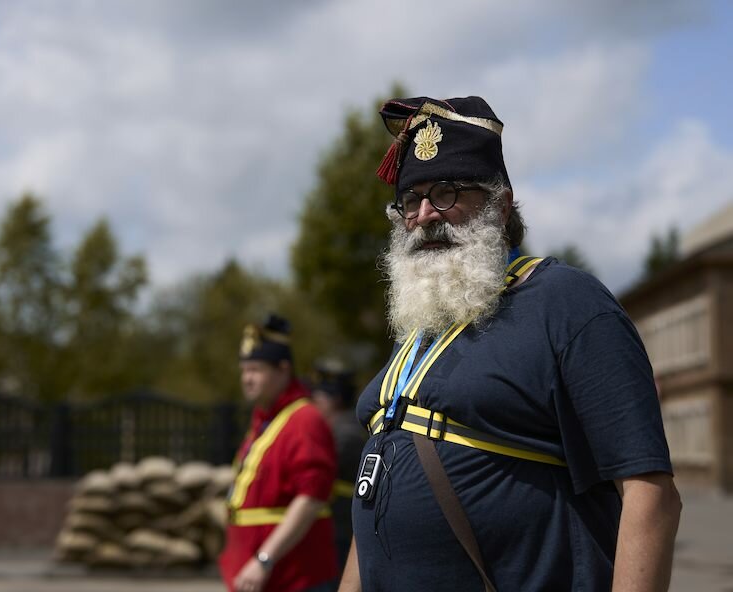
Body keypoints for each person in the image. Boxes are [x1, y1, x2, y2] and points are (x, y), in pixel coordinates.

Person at [338, 96, 681, 592]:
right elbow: (376, 495)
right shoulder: (421, 330)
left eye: (447, 192)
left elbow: (651, 495)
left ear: (500, 205)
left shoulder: (566, 302)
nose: (426, 214)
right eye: (411, 200)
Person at [220, 313, 339, 592]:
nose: (246, 379)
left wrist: (264, 559)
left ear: (283, 370)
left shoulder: (304, 420)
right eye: (244, 370)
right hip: (262, 574)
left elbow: (311, 497)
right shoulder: (266, 418)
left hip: (292, 576)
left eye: (256, 370)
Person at [310, 359, 368, 572]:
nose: (313, 403)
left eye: (318, 397)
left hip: (342, 527)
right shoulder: (337, 429)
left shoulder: (346, 434)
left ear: (335, 398)